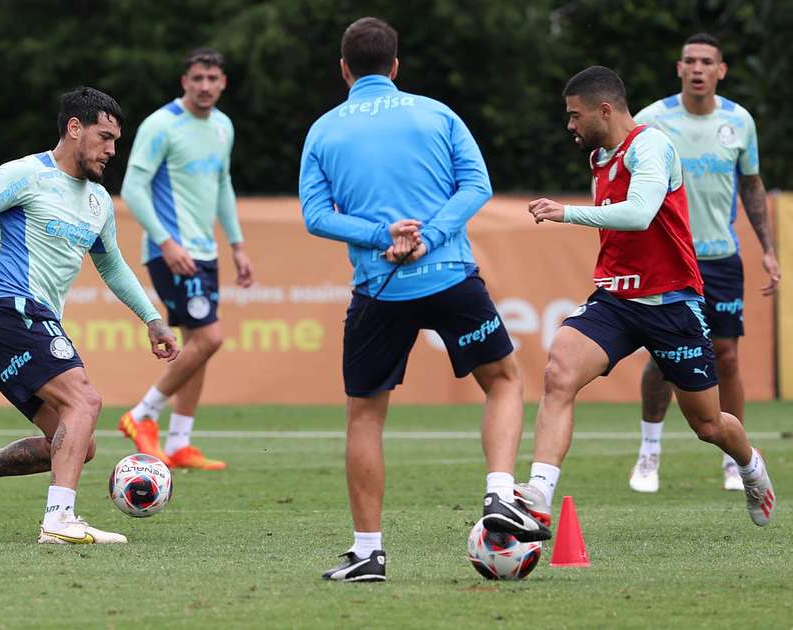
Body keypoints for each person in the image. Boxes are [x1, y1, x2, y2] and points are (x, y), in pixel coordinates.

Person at [298, 17, 548, 583]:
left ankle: (368, 553)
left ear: (344, 70)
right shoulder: (438, 113)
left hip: (379, 287)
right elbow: (477, 187)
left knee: (365, 416)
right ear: (396, 65)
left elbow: (316, 217)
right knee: (505, 380)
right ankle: (499, 494)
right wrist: (429, 237)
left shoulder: (324, 130)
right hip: (449, 277)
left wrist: (381, 235)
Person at [0, 87, 179, 544]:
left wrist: (151, 318)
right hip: (8, 310)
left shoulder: (99, 202)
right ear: (74, 128)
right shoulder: (25, 174)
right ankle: (59, 521)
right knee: (86, 402)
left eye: (116, 142)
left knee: (77, 444)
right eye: (104, 138)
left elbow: (112, 265)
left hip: (26, 322)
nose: (111, 151)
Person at [524, 66, 775, 532]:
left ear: (604, 110)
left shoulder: (651, 145)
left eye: (575, 116)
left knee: (708, 426)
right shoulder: (600, 159)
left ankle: (750, 466)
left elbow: (640, 214)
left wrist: (565, 213)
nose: (570, 125)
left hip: (673, 303)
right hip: (616, 300)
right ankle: (539, 494)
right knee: (559, 371)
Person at [629, 33, 779, 493]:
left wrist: (768, 249)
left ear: (721, 70)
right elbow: (626, 181)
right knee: (662, 357)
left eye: (706, 62)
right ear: (679, 69)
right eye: (689, 60)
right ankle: (649, 453)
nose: (697, 68)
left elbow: (752, 187)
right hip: (669, 257)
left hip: (720, 258)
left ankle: (735, 460)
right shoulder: (651, 120)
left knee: (727, 355)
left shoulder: (739, 121)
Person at [118, 47, 252, 471]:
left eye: (213, 79)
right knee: (210, 338)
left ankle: (179, 443)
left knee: (198, 345)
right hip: (172, 253)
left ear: (223, 82)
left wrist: (237, 244)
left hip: (205, 252)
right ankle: (140, 415)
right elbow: (134, 189)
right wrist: (166, 242)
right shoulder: (161, 125)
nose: (206, 86)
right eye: (198, 79)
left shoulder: (222, 126)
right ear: (185, 82)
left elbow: (223, 185)